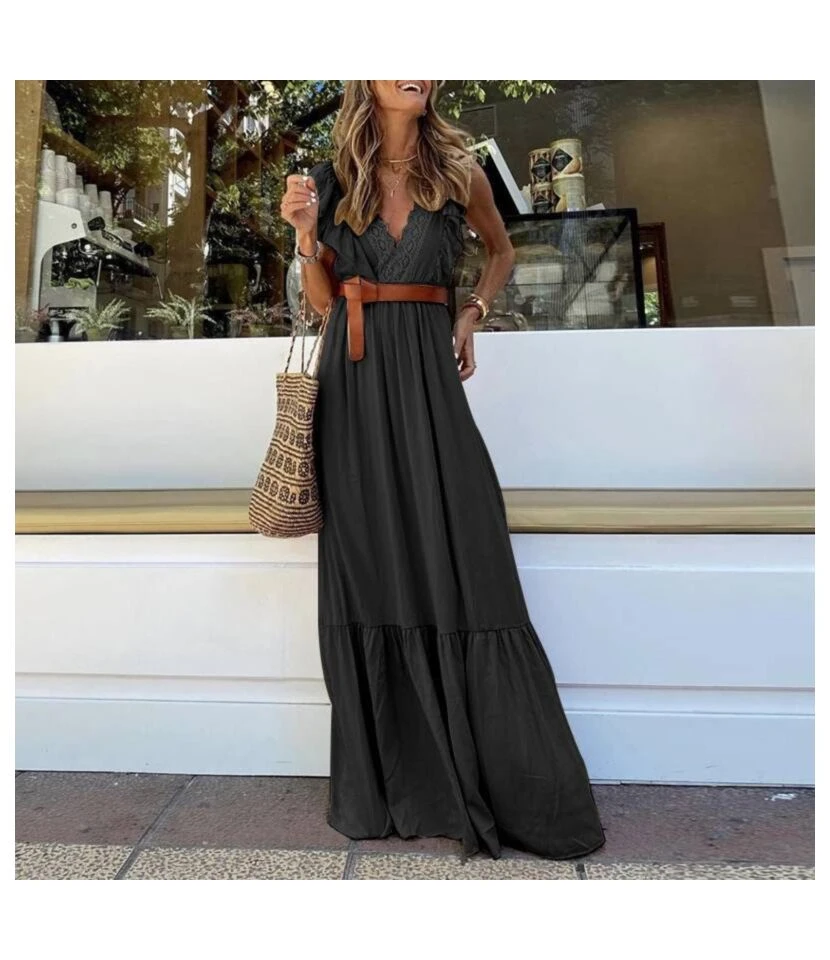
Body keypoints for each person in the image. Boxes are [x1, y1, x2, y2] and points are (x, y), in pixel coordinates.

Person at [280, 80, 605, 861]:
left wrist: (473, 313)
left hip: (428, 383)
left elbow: (501, 251)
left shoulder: (459, 171)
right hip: (354, 388)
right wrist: (304, 238)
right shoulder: (330, 178)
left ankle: (504, 779)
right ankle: (399, 784)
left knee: (467, 552)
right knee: (373, 564)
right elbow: (323, 305)